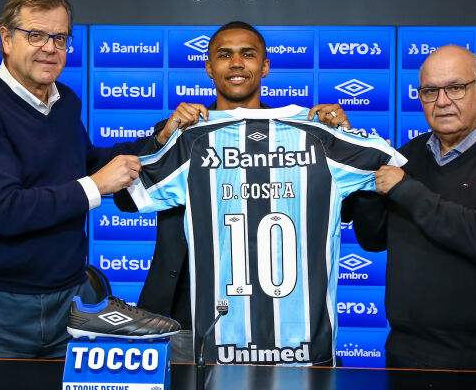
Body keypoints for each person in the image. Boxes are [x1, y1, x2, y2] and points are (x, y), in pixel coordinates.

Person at [0, 0, 178, 358]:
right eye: (36, 35)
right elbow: (7, 211)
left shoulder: (64, 100)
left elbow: (85, 163)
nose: (50, 48)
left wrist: (158, 137)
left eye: (60, 37)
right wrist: (96, 186)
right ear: (6, 38)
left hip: (71, 304)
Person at [115, 21, 350, 362]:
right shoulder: (180, 132)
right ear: (209, 67)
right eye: (224, 55)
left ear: (265, 66)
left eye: (247, 54)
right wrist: (164, 138)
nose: (236, 63)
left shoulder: (308, 137)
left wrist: (344, 138)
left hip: (277, 323)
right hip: (182, 312)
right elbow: (126, 198)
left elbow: (352, 209)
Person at [344, 45, 476, 370]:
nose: (442, 101)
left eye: (455, 88)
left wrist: (403, 188)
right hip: (407, 351)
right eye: (430, 91)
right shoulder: (407, 157)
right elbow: (373, 239)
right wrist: (369, 176)